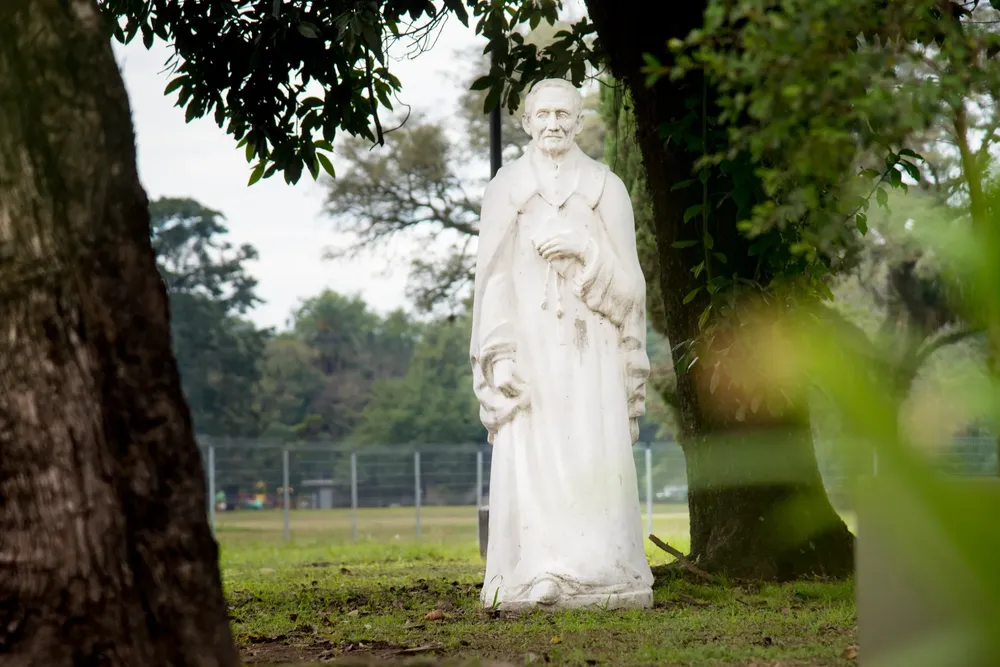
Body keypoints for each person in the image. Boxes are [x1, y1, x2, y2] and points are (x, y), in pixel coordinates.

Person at [470, 78, 653, 609]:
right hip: (528, 346)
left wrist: (584, 248)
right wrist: (499, 355)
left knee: (590, 452)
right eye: (543, 114)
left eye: (564, 115)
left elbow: (634, 287)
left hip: (589, 347)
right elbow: (493, 279)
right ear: (526, 121)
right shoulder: (506, 189)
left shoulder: (604, 187)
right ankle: (536, 570)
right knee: (533, 456)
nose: (553, 124)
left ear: (579, 121)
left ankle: (603, 572)